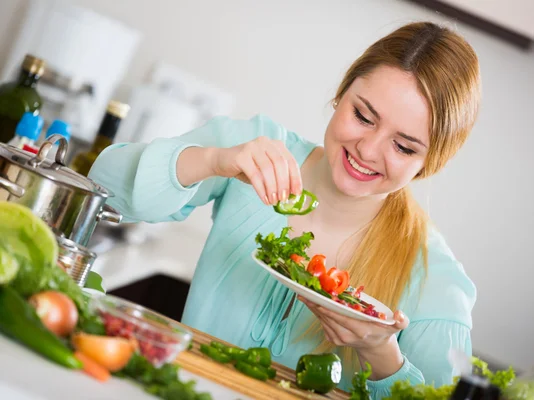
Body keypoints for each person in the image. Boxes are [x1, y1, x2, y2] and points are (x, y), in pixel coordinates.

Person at [89, 21, 481, 398]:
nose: (368, 150)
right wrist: (211, 160)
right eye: (363, 116)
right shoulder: (255, 149)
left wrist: (382, 357)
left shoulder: (437, 282)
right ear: (340, 93)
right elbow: (101, 186)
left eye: (404, 147)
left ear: (431, 162)